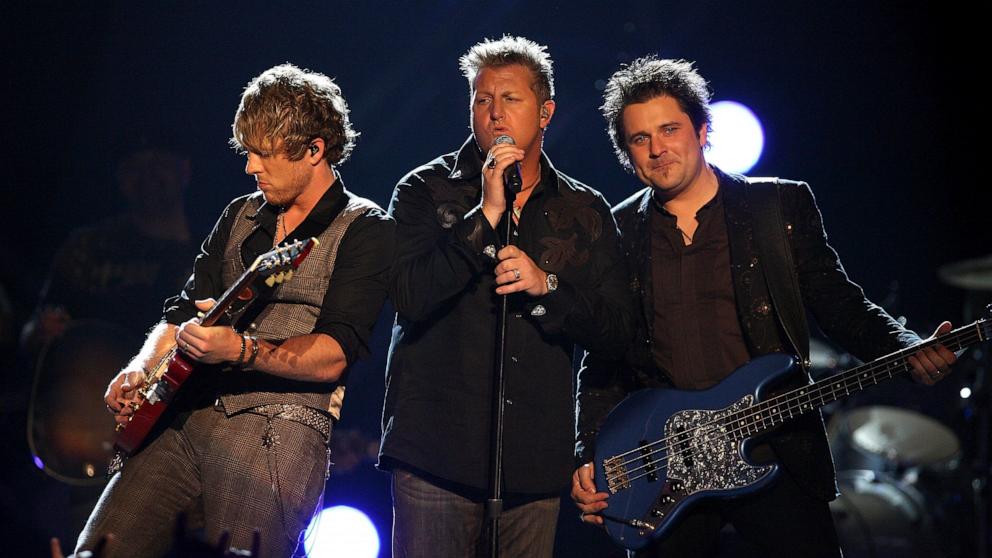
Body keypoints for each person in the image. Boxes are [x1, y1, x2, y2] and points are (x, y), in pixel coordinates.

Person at [570, 56, 957, 558]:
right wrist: (591, 453)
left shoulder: (779, 207)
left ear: (703, 130)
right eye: (640, 138)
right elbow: (602, 356)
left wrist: (907, 348)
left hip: (776, 446)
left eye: (670, 129)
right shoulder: (617, 233)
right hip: (667, 468)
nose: (658, 148)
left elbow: (840, 304)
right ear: (626, 151)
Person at [74, 63, 394, 558]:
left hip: (278, 434)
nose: (250, 168)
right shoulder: (239, 214)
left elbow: (335, 353)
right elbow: (180, 310)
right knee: (98, 551)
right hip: (183, 420)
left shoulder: (366, 228)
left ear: (314, 150)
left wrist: (242, 349)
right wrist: (139, 369)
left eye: (264, 155)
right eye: (248, 152)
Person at [379, 36, 632, 557]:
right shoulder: (424, 189)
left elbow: (617, 331)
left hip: (534, 465)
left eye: (509, 100)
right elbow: (408, 295)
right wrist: (486, 217)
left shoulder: (585, 210)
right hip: (436, 456)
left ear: (546, 112)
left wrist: (548, 288)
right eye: (481, 99)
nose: (493, 114)